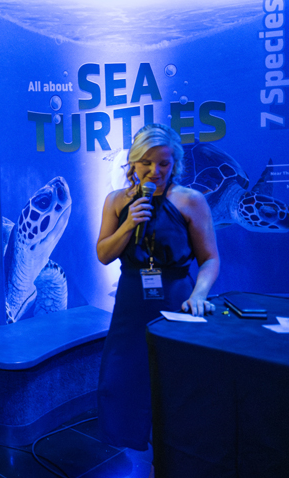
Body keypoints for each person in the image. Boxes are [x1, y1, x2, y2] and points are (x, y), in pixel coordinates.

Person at [96, 124, 220, 453]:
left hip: (178, 297)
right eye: (147, 163)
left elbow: (210, 259)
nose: (156, 171)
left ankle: (176, 457)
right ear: (133, 164)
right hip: (132, 303)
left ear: (174, 163)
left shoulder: (191, 201)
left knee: (178, 384)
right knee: (124, 379)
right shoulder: (116, 202)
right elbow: (104, 254)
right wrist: (127, 224)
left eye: (164, 163)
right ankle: (134, 451)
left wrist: (199, 295)